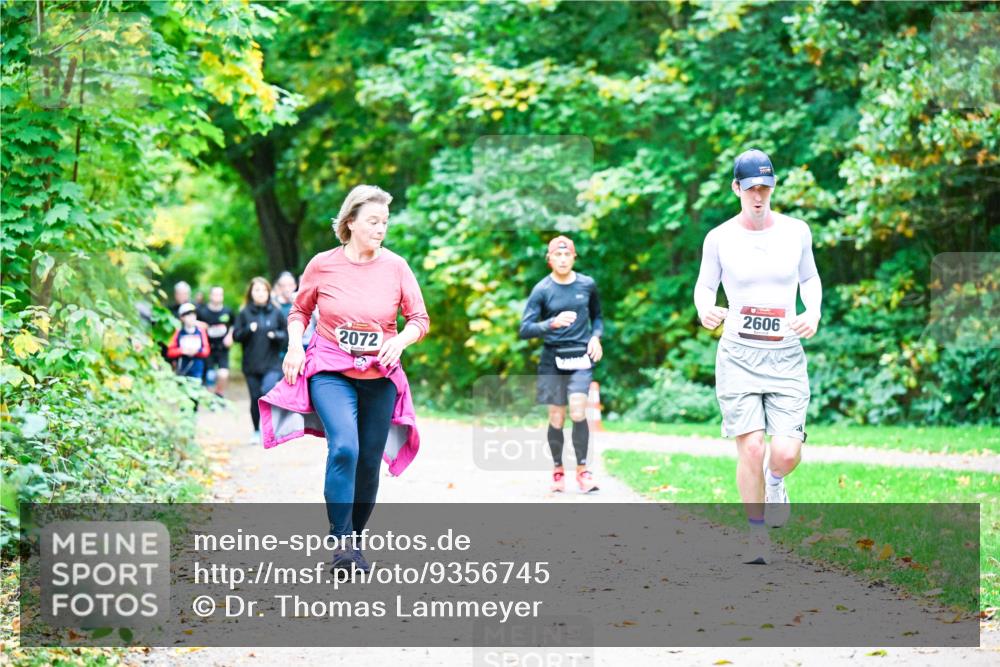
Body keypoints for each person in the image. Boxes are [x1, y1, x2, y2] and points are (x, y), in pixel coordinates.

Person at [262, 184, 429, 573]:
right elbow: (299, 311)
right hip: (330, 370)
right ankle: (340, 543)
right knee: (344, 449)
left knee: (369, 461)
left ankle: (354, 540)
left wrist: (401, 341)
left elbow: (419, 320)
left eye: (384, 222)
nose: (380, 229)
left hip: (380, 375)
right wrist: (294, 347)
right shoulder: (323, 264)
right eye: (373, 221)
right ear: (350, 221)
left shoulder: (396, 266)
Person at [694, 148, 822, 565]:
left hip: (785, 356)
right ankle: (756, 535)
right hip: (738, 356)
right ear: (736, 188)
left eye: (765, 187)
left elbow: (809, 278)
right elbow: (704, 287)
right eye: (750, 188)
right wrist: (704, 309)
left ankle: (776, 479)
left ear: (774, 186)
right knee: (750, 447)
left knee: (784, 452)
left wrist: (813, 311)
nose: (759, 195)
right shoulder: (719, 238)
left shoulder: (796, 232)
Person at [519, 235, 604, 494]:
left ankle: (583, 470)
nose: (563, 259)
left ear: (574, 257)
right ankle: (558, 470)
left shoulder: (587, 284)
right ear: (550, 259)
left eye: (568, 255)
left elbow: (598, 317)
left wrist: (596, 338)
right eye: (558, 255)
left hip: (580, 357)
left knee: (578, 410)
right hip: (552, 359)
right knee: (556, 416)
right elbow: (525, 328)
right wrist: (550, 324)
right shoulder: (542, 289)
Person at [233, 277, 287, 442]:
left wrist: (276, 335)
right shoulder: (244, 313)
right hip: (251, 365)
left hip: (272, 364)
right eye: (257, 290)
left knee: (267, 391)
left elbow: (286, 335)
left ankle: (273, 426)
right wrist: (248, 330)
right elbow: (236, 336)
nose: (260, 293)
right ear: (251, 293)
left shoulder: (276, 312)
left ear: (269, 292)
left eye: (264, 290)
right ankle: (257, 431)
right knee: (255, 397)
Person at [197, 286, 234, 398]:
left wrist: (230, 335)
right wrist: (199, 324)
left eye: (220, 294)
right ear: (210, 296)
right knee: (210, 375)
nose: (218, 297)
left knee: (223, 374)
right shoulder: (202, 312)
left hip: (222, 349)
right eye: (215, 294)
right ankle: (210, 399)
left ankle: (219, 394)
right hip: (208, 349)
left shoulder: (228, 311)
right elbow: (192, 321)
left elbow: (234, 325)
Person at [166, 303, 210, 380]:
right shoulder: (178, 332)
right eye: (188, 315)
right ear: (182, 318)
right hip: (182, 368)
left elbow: (206, 351)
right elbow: (170, 352)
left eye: (193, 315)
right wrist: (182, 351)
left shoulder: (200, 332)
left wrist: (197, 351)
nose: (191, 318)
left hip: (197, 369)